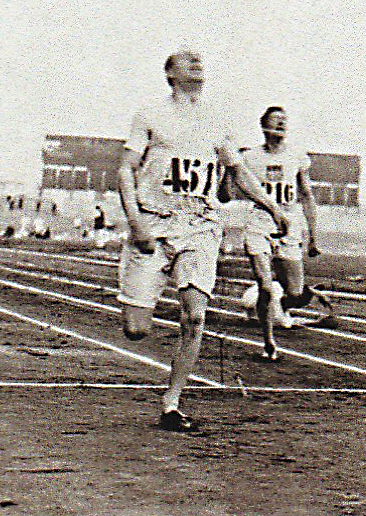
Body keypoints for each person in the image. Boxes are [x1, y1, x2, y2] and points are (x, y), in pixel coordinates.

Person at [117, 50, 290, 432]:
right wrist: (135, 221)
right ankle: (142, 287)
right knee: (136, 329)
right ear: (169, 73)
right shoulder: (149, 114)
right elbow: (125, 170)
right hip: (154, 224)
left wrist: (271, 206)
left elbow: (239, 171)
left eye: (200, 60)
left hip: (200, 225)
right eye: (186, 60)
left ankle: (172, 403)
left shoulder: (217, 118)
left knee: (195, 317)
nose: (196, 62)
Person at [240, 106, 335, 361]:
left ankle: (285, 303)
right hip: (260, 223)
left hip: (289, 225)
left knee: (294, 292)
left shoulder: (297, 156)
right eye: (276, 121)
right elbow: (229, 191)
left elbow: (307, 196)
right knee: (264, 284)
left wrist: (312, 237)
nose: (281, 125)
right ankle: (269, 343)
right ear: (264, 126)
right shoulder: (249, 157)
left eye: (284, 121)